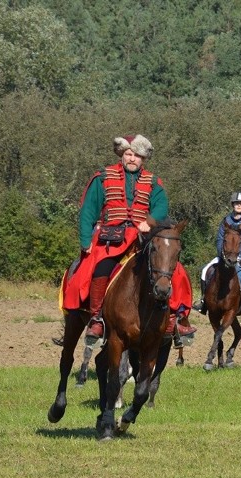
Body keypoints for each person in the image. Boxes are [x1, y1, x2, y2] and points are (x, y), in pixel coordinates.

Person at [63, 134, 196, 341]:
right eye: (128, 154)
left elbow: (161, 208)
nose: (132, 159)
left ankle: (175, 318)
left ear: (143, 159)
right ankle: (97, 319)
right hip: (110, 240)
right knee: (99, 269)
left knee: (172, 269)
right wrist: (85, 240)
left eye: (136, 155)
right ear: (122, 155)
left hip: (142, 239)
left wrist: (149, 222)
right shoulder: (103, 178)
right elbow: (88, 211)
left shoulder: (153, 182)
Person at [194, 192, 241, 316]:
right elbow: (220, 239)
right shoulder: (226, 221)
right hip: (226, 256)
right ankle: (203, 301)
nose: (239, 205)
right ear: (233, 205)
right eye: (236, 203)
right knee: (205, 270)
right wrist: (222, 255)